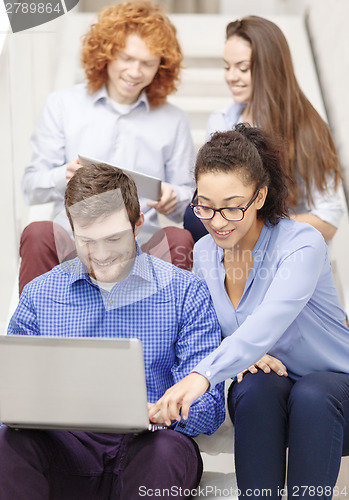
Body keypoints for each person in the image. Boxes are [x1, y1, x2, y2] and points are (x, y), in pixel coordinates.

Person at [0, 163, 225, 500]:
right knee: (7, 443)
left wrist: (170, 409)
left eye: (113, 239)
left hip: (149, 444)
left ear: (137, 225)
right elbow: (12, 389)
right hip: (67, 447)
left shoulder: (184, 292)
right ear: (72, 229)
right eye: (86, 241)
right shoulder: (40, 295)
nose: (101, 256)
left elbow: (210, 405)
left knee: (165, 453)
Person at [150, 124, 349, 500]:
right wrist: (242, 355)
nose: (218, 220)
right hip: (274, 397)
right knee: (253, 386)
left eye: (232, 207)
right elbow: (218, 329)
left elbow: (269, 319)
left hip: (337, 395)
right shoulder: (206, 253)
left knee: (312, 392)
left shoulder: (302, 244)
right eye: (205, 206)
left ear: (259, 196)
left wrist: (204, 374)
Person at [19, 0, 196, 294]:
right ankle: (29, 337)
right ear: (107, 53)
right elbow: (30, 186)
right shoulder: (63, 104)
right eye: (127, 58)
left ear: (161, 67)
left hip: (139, 246)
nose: (135, 71)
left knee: (178, 238)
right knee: (37, 233)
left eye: (148, 63)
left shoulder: (173, 120)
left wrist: (173, 197)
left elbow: (191, 203)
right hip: (74, 239)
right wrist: (63, 174)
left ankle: (165, 334)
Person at [184, 15, 344, 243]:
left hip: (282, 248)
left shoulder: (308, 129)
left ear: (270, 69)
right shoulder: (221, 121)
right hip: (232, 249)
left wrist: (262, 225)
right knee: (192, 218)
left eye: (242, 68)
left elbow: (327, 220)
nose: (231, 77)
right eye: (227, 67)